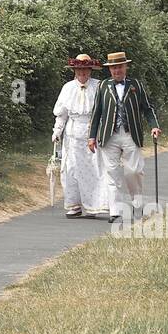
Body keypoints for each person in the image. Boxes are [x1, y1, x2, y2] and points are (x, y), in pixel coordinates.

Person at [87, 51, 161, 221]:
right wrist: (91, 137)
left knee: (133, 171)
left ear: (125, 67)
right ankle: (114, 210)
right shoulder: (103, 86)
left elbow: (148, 108)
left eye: (119, 67)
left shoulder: (136, 85)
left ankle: (137, 205)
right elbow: (96, 112)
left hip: (130, 133)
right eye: (113, 68)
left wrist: (154, 126)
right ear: (109, 69)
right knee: (112, 172)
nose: (116, 70)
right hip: (109, 135)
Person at [52, 54, 110, 218]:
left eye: (85, 70)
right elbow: (62, 114)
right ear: (74, 71)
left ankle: (93, 206)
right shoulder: (68, 87)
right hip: (72, 135)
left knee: (93, 169)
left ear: (90, 71)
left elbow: (105, 112)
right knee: (71, 169)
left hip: (92, 133)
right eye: (79, 70)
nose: (82, 74)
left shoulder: (99, 86)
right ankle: (74, 205)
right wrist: (57, 131)